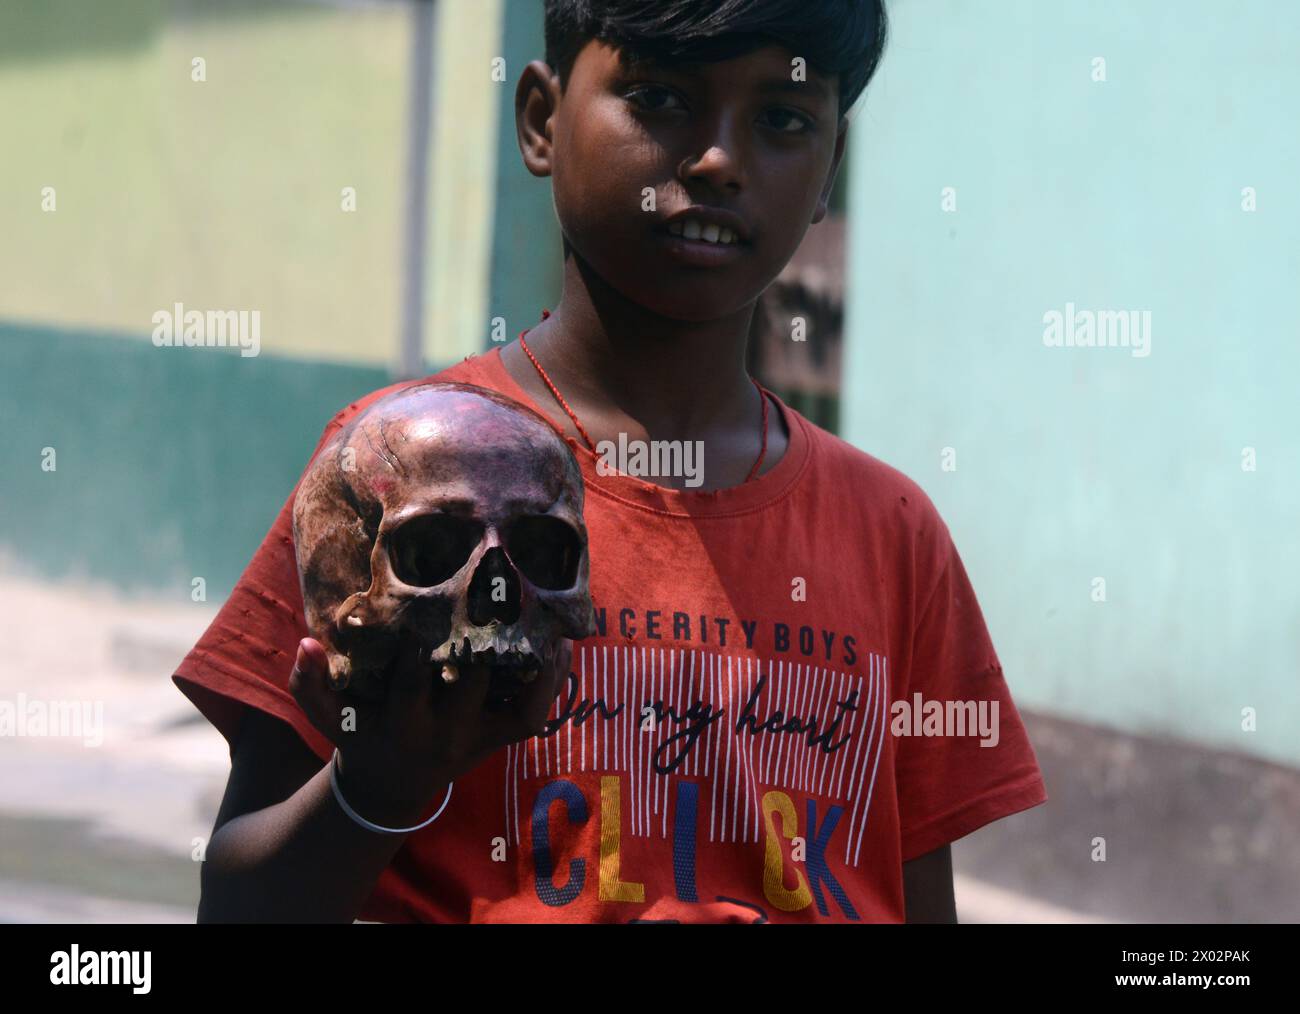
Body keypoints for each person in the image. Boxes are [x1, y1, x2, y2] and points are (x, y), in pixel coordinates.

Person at [176, 0, 1047, 923]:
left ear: (829, 168)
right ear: (543, 122)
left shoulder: (891, 535)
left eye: (782, 120)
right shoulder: (399, 466)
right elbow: (239, 905)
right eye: (661, 99)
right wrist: (377, 790)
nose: (717, 159)